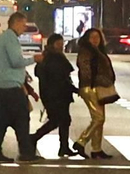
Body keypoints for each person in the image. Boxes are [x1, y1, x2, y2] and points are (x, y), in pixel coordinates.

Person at [0, 12, 37, 161]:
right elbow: (16, 61)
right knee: (21, 118)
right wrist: (34, 59)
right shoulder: (10, 38)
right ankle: (26, 152)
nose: (24, 28)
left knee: (2, 119)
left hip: (3, 83)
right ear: (16, 23)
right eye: (23, 25)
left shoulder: (3, 38)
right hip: (11, 85)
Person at [73, 27, 116, 160]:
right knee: (98, 118)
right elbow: (85, 69)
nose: (95, 40)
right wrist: (91, 82)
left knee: (100, 119)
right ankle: (81, 141)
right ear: (87, 38)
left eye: (97, 37)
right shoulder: (86, 51)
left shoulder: (98, 51)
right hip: (90, 87)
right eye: (92, 37)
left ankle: (96, 149)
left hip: (98, 87)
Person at [32, 33, 78, 156]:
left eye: (62, 43)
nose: (61, 46)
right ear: (52, 44)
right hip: (56, 95)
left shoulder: (48, 56)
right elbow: (60, 79)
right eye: (58, 44)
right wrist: (75, 89)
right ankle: (33, 138)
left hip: (55, 94)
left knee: (63, 120)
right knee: (56, 120)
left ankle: (64, 147)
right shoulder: (54, 58)